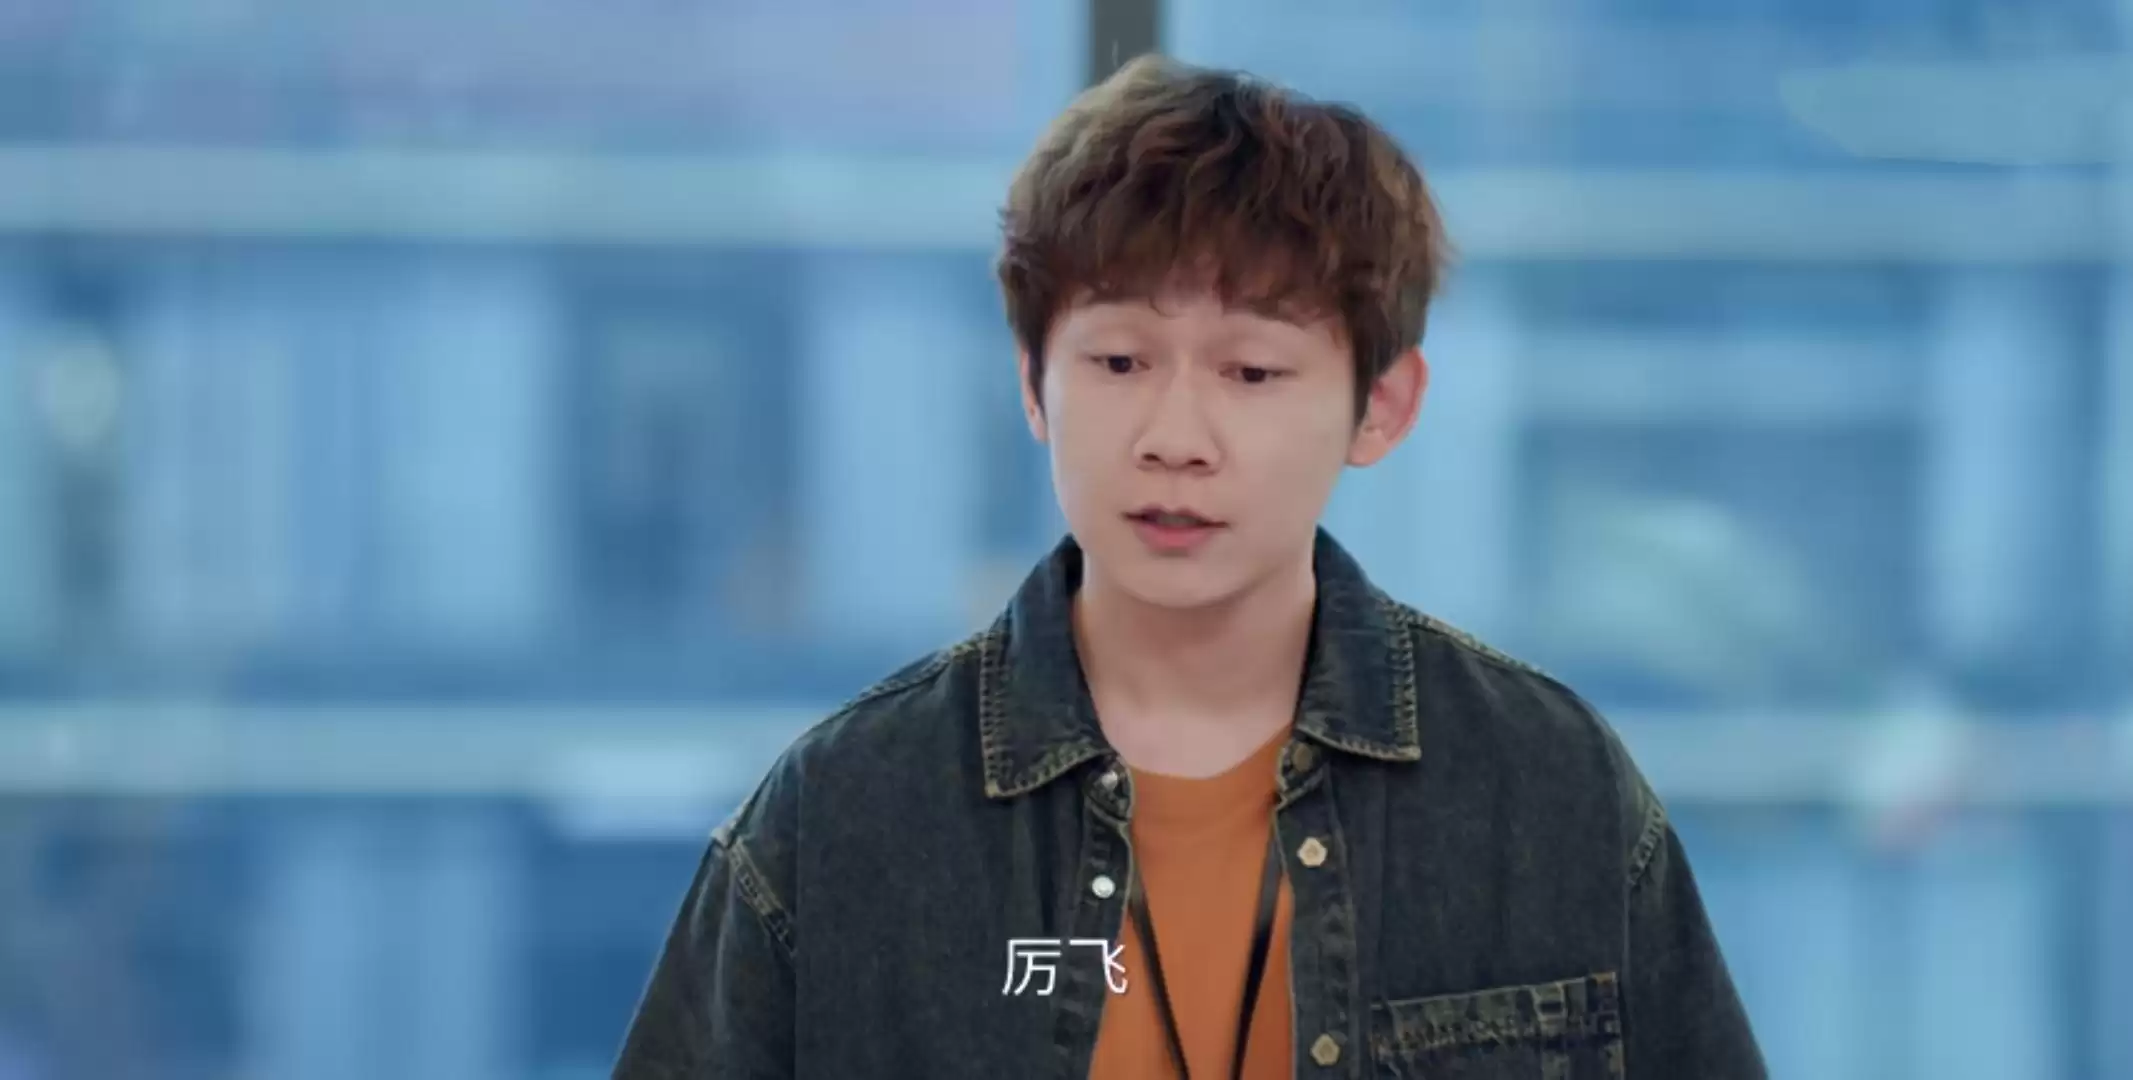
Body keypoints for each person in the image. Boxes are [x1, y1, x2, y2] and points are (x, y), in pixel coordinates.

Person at [613, 54, 1766, 1079]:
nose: (1175, 437)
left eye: (1251, 373)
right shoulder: (850, 812)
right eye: (1119, 361)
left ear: (1381, 405)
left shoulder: (1544, 785)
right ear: (1032, 383)